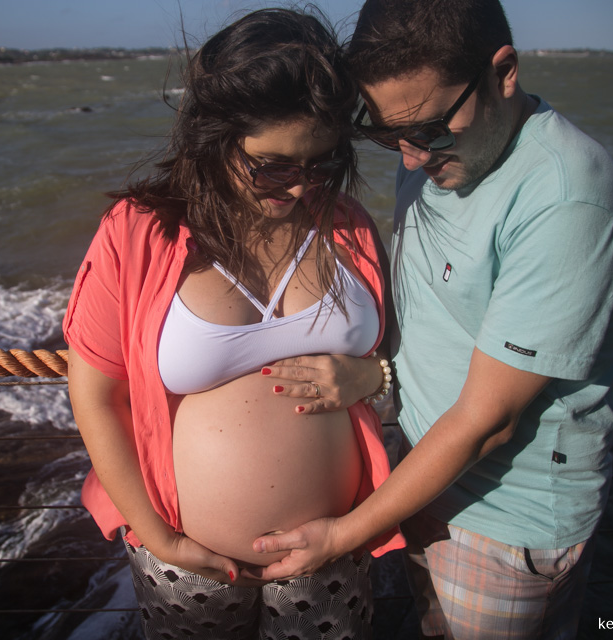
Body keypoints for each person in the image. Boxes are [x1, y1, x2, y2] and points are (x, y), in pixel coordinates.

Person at [254, 0, 613, 637]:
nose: (410, 158)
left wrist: (345, 535)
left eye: (429, 129)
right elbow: (435, 311)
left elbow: (489, 421)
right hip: (421, 478)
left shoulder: (568, 202)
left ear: (504, 72)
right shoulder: (440, 152)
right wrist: (378, 375)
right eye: (387, 135)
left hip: (503, 521)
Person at [62, 8, 404, 639]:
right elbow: (94, 394)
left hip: (332, 550)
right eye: (273, 166)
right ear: (214, 137)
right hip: (188, 562)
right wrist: (164, 539)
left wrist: (373, 374)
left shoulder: (350, 226)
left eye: (321, 164)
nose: (300, 188)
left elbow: (403, 359)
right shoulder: (139, 232)